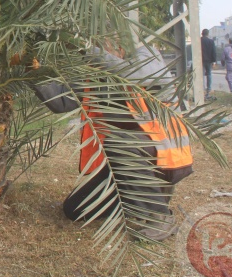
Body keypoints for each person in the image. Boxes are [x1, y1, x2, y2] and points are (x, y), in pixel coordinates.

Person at [32, 44, 193, 241]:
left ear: (121, 44)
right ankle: (140, 200)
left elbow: (131, 72)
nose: (103, 50)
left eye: (105, 45)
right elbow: (59, 101)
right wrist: (31, 70)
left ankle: (159, 217)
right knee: (75, 209)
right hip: (127, 160)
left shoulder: (148, 55)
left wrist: (89, 50)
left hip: (166, 157)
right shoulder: (94, 77)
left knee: (119, 142)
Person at [200, 29, 216, 99]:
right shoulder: (211, 41)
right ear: (208, 34)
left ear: (202, 33)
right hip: (209, 60)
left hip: (201, 60)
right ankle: (209, 88)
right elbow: (213, 51)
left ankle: (202, 88)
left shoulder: (199, 41)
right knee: (209, 74)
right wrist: (214, 61)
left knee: (202, 74)